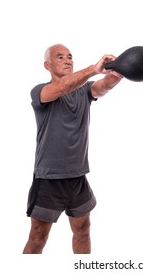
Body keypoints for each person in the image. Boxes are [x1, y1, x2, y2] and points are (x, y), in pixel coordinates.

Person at [23, 44, 123, 254]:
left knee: (83, 229)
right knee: (38, 237)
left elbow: (103, 86)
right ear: (47, 65)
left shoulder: (84, 91)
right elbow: (61, 88)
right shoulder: (40, 91)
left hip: (77, 176)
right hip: (49, 178)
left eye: (70, 57)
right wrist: (92, 69)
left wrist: (118, 71)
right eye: (60, 57)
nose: (68, 60)